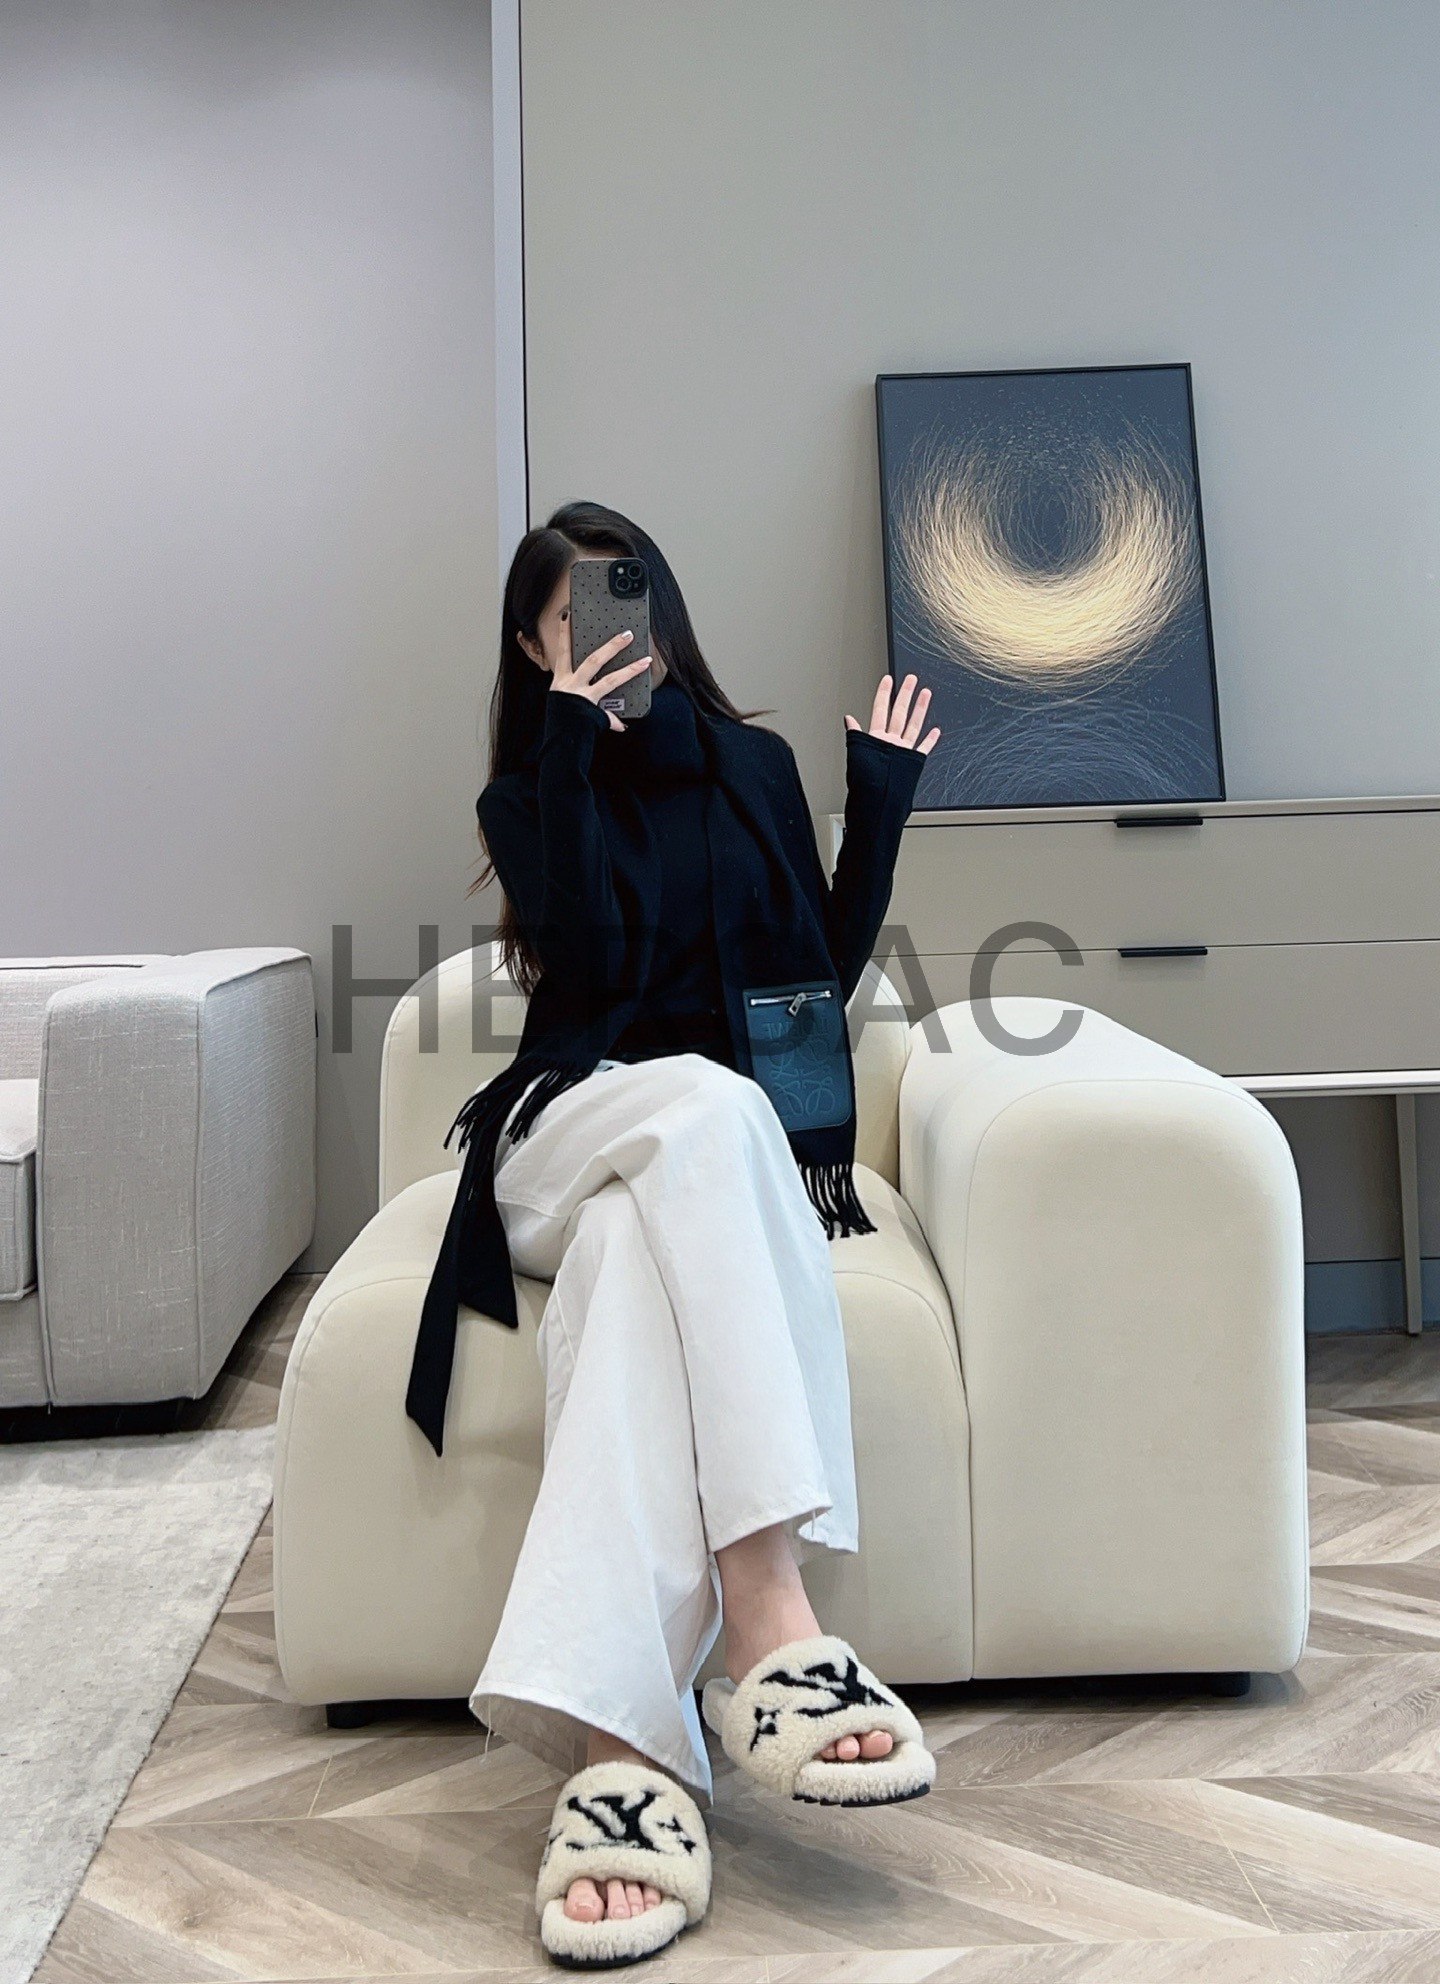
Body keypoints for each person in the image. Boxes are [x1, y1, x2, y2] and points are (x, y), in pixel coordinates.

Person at [409, 501, 941, 1969]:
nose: (603, 631)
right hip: (566, 1130)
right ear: (536, 646)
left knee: (642, 1264)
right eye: (567, 615)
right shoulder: (528, 792)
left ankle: (622, 1756)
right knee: (706, 1105)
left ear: (665, 610)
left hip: (692, 1176)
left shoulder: (756, 769)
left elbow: (811, 983)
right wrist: (572, 753)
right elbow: (586, 963)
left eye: (622, 599)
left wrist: (879, 807)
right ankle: (768, 1608)